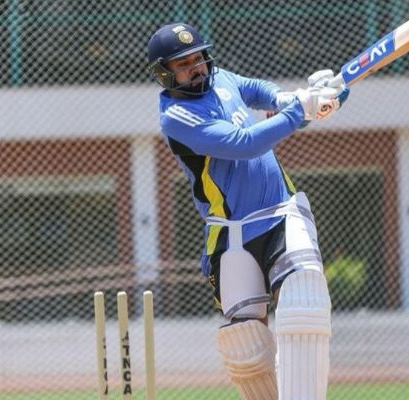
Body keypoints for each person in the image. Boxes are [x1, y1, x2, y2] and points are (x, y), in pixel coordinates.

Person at [147, 22, 349, 400]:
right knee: (246, 350)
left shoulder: (220, 78)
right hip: (230, 234)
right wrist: (296, 113)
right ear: (165, 74)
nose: (197, 68)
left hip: (280, 213)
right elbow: (243, 144)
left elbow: (256, 90)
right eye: (183, 64)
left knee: (304, 300)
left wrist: (293, 98)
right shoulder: (176, 116)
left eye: (198, 58)